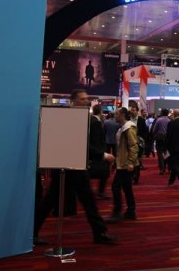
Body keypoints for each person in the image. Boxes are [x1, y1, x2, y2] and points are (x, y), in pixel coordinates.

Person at [33, 89, 116, 245]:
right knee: (55, 201)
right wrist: (103, 155)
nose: (86, 101)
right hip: (66, 166)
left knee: (86, 202)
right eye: (83, 99)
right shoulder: (69, 118)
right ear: (74, 100)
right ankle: (100, 233)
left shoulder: (82, 118)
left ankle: (100, 233)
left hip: (76, 166)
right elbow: (80, 143)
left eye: (86, 99)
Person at [107, 106, 139, 222]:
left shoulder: (129, 128)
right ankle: (131, 211)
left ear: (123, 115)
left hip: (126, 164)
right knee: (127, 188)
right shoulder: (123, 127)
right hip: (123, 162)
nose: (115, 116)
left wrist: (130, 162)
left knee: (116, 187)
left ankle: (118, 212)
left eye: (117, 114)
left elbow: (133, 146)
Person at [129, 102, 149, 183]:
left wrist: (142, 140)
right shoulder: (128, 119)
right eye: (131, 110)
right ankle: (131, 176)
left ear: (137, 111)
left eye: (134, 110)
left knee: (137, 160)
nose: (132, 112)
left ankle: (136, 176)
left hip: (139, 143)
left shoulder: (141, 120)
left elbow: (145, 131)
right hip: (129, 143)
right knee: (130, 160)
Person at [151, 108, 170, 175]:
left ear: (162, 113)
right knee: (166, 153)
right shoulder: (170, 120)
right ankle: (168, 168)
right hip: (167, 139)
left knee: (160, 154)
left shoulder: (159, 120)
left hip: (160, 139)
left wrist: (155, 135)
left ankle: (162, 169)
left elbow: (154, 130)